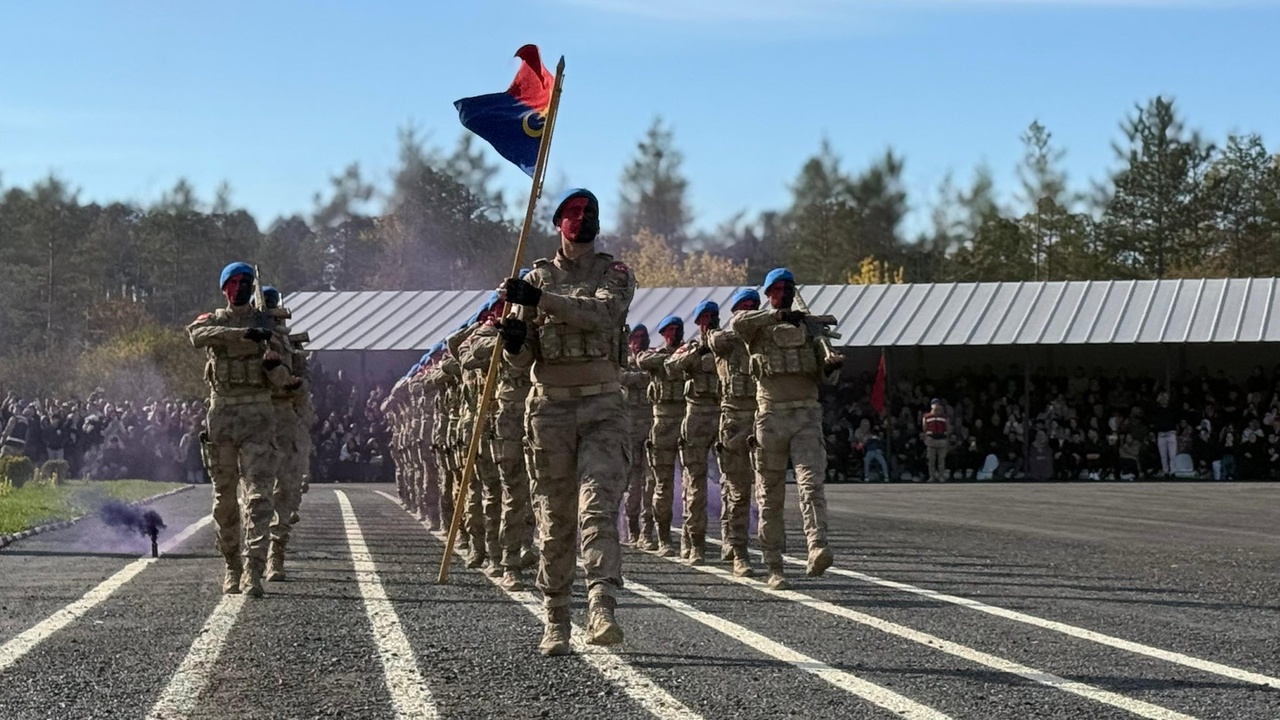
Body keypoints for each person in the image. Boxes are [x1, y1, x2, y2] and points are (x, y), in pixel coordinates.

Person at [496, 187, 636, 656]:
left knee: (596, 509)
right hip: (550, 412)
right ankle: (556, 618)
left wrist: (541, 299)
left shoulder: (614, 273)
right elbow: (521, 363)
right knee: (555, 520)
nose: (582, 218)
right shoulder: (535, 277)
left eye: (589, 211)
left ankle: (601, 605)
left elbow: (603, 314)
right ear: (558, 223)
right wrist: (514, 340)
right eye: (573, 212)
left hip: (602, 410)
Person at [731, 267, 842, 590]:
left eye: (788, 288)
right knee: (769, 496)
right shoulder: (757, 327)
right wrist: (778, 316)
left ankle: (817, 545)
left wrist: (831, 367)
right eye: (777, 289)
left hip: (806, 415)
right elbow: (738, 323)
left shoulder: (809, 330)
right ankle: (774, 565)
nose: (784, 293)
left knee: (811, 485)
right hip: (772, 419)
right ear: (768, 295)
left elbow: (824, 376)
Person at [187, 262, 287, 597]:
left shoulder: (268, 325)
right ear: (225, 288)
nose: (241, 288)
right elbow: (196, 336)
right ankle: (232, 565)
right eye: (235, 283)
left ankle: (254, 570)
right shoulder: (214, 321)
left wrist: (272, 364)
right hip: (223, 418)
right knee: (225, 500)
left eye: (247, 283)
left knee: (259, 498)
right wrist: (243, 334)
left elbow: (282, 380)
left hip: (258, 417)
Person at [707, 288, 761, 576]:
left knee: (766, 491)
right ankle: (738, 549)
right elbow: (716, 340)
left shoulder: (765, 338)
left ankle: (770, 550)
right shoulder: (724, 339)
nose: (749, 311)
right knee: (737, 490)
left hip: (763, 417)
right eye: (744, 306)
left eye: (753, 306)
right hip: (734, 421)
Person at [665, 300, 722, 565]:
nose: (708, 323)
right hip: (696, 415)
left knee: (733, 483)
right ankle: (693, 541)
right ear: (698, 323)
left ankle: (733, 544)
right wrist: (697, 351)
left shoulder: (728, 345)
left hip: (724, 413)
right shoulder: (691, 347)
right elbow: (670, 367)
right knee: (694, 484)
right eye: (704, 319)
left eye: (712, 317)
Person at [637, 315, 686, 558]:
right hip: (662, 423)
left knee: (691, 484)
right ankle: (660, 536)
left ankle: (690, 540)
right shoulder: (655, 356)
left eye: (676, 330)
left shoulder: (691, 354)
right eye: (668, 331)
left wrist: (685, 354)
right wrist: (675, 356)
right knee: (660, 484)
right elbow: (642, 360)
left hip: (687, 421)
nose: (672, 335)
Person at [620, 325, 655, 549]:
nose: (637, 343)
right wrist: (643, 377)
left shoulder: (651, 359)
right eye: (634, 338)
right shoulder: (624, 363)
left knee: (651, 481)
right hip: (630, 429)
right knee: (632, 483)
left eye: (641, 338)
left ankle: (647, 530)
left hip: (650, 427)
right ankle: (633, 530)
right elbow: (621, 377)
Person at [922, 398, 949, 482]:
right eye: (934, 404)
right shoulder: (926, 416)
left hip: (942, 440)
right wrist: (926, 438)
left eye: (938, 404)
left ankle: (941, 476)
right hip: (931, 440)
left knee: (941, 460)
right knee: (931, 460)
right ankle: (932, 477)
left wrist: (947, 439)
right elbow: (924, 428)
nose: (936, 406)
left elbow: (947, 428)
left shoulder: (944, 417)